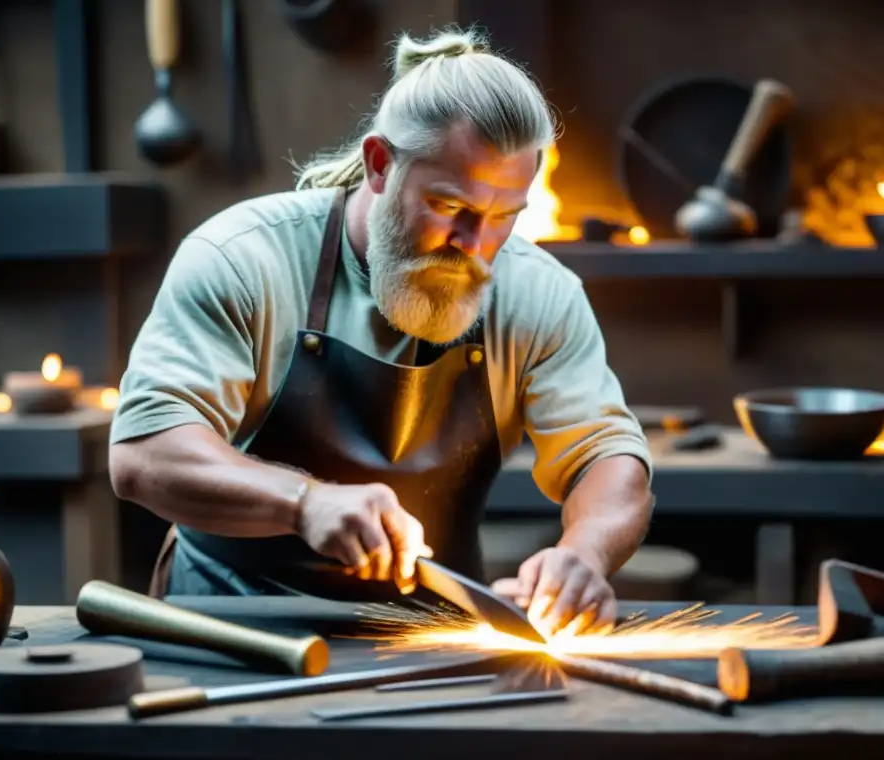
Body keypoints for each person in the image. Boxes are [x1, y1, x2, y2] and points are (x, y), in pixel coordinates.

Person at [108, 27, 653, 638]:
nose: (476, 247)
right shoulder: (243, 258)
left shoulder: (537, 292)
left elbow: (606, 458)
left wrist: (584, 555)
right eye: (451, 208)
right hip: (232, 623)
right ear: (378, 164)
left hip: (429, 633)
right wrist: (304, 503)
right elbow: (144, 453)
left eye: (503, 218)